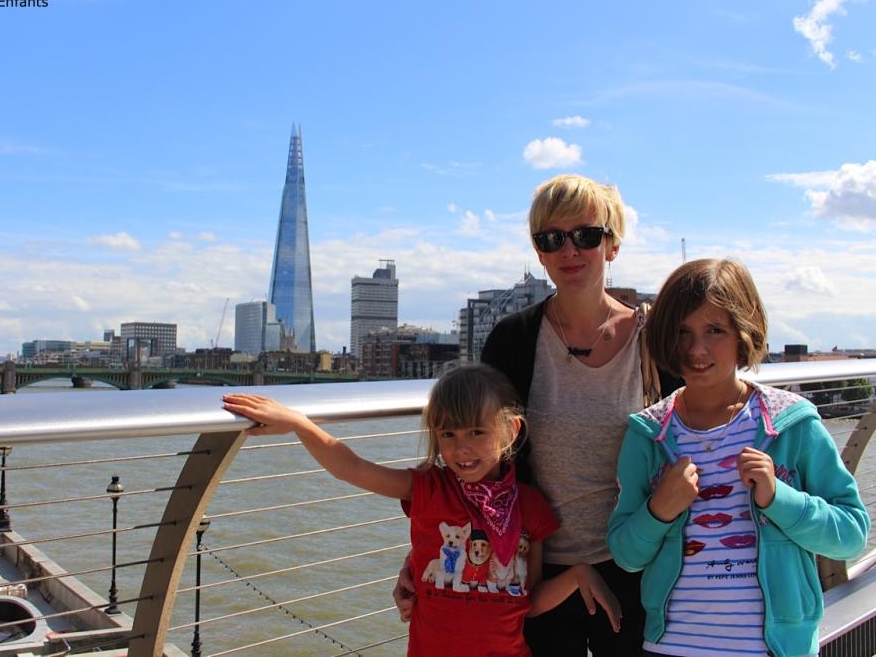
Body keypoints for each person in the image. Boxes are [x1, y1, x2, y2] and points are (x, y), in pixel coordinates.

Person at [396, 174, 680, 656]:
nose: (569, 250)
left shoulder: (652, 340)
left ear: (612, 245)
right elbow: (475, 455)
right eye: (551, 239)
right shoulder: (513, 339)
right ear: (540, 251)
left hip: (636, 561)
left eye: (586, 235)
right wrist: (423, 555)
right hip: (529, 569)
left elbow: (692, 438)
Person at [223, 364, 621, 657]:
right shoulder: (430, 489)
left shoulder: (531, 507)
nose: (461, 448)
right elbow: (353, 468)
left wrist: (577, 575)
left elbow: (528, 600)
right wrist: (297, 423)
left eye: (476, 433)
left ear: (510, 431)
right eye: (448, 434)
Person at [607, 258, 869, 657]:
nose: (696, 349)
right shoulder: (649, 434)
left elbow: (850, 534)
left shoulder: (790, 424)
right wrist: (659, 510)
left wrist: (779, 498)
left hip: (776, 649)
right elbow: (625, 555)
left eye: (715, 330)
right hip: (672, 648)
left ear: (743, 332)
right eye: (682, 332)